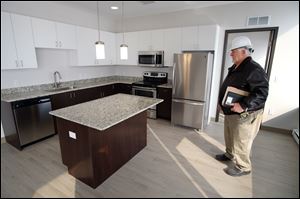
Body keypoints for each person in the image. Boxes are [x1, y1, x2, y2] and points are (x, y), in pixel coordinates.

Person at [216, 36, 269, 176]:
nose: (231, 54)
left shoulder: (253, 69)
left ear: (244, 51)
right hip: (231, 112)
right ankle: (229, 155)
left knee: (241, 140)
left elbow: (262, 93)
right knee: (230, 135)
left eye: (233, 51)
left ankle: (243, 167)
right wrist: (221, 103)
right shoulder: (236, 66)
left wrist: (244, 105)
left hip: (244, 113)